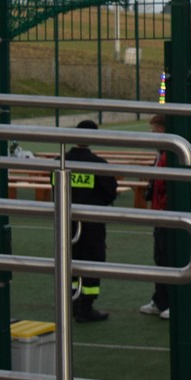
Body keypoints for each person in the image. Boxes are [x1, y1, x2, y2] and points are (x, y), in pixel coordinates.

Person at [60, 119, 120, 323]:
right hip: (92, 220)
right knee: (92, 260)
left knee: (69, 259)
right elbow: (110, 192)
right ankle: (86, 307)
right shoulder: (98, 164)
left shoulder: (61, 161)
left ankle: (71, 302)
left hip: (66, 219)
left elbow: (55, 188)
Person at [139, 113, 174, 320]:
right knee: (160, 258)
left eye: (154, 129)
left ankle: (173, 302)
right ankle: (160, 300)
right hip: (160, 213)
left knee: (170, 258)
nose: (152, 134)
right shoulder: (161, 154)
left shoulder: (171, 155)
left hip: (169, 214)